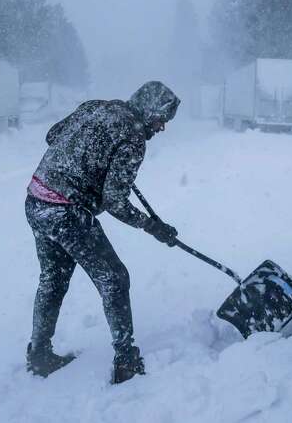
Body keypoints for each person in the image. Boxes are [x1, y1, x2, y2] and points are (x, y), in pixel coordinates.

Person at [24, 81, 181, 383]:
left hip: (36, 201)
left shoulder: (96, 105)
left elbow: (53, 135)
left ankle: (39, 354)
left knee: (53, 280)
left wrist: (95, 155)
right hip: (66, 211)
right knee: (114, 278)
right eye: (161, 118)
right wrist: (151, 226)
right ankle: (126, 362)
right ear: (149, 110)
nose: (161, 127)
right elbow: (114, 201)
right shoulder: (134, 137)